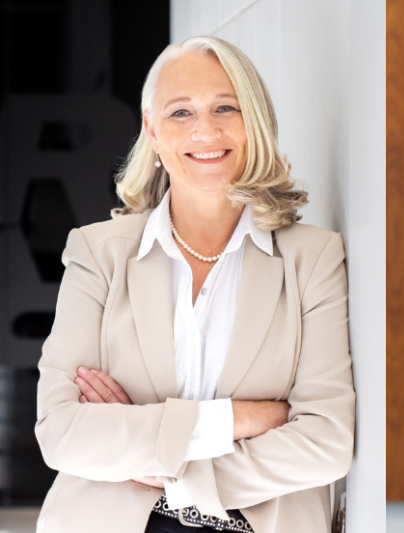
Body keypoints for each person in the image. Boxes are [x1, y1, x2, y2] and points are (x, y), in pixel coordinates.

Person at [34, 36, 355, 533]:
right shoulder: (98, 254)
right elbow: (61, 432)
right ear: (152, 131)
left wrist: (165, 464)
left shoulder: (312, 258)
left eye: (225, 107)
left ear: (256, 123)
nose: (205, 130)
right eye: (180, 112)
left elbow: (326, 444)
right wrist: (238, 420)